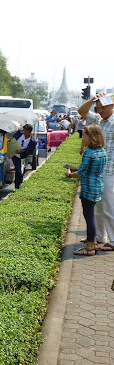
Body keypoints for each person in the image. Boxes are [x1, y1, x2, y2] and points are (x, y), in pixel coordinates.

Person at [78, 93, 114, 250]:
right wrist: (93, 99)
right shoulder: (99, 121)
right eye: (98, 108)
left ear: (111, 105)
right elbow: (82, 111)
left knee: (108, 206)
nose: (100, 111)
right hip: (98, 171)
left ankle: (113, 241)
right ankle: (99, 236)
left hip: (110, 171)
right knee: (98, 207)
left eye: (103, 108)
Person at [66, 125, 107, 255]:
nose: (83, 138)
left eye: (85, 135)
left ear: (91, 137)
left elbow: (81, 173)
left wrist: (69, 174)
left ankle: (90, 247)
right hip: (98, 186)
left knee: (89, 217)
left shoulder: (89, 152)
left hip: (88, 188)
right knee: (92, 215)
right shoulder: (102, 151)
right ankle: (92, 240)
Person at [12, 124, 38, 189]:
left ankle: (18, 187)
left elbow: (29, 152)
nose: (24, 132)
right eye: (23, 130)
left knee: (19, 171)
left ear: (30, 132)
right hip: (11, 152)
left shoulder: (33, 141)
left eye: (25, 131)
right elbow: (13, 138)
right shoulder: (19, 133)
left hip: (19, 156)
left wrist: (20, 151)